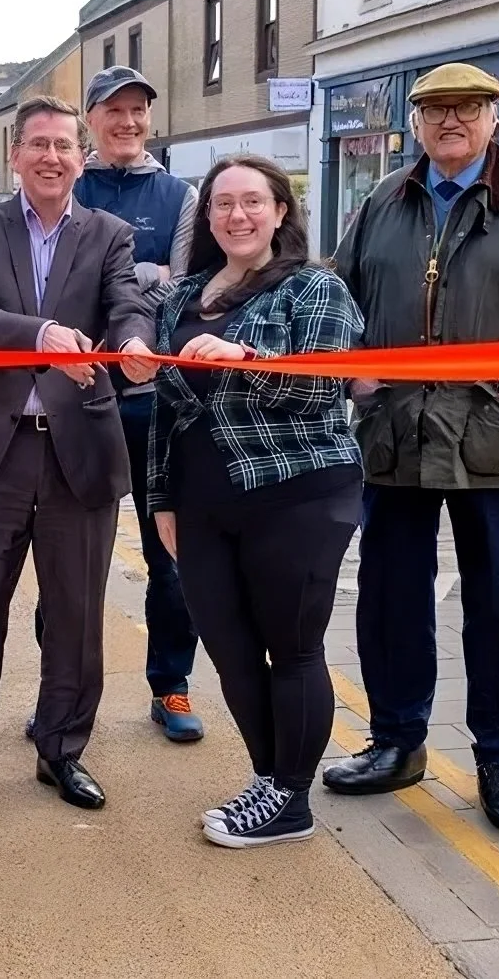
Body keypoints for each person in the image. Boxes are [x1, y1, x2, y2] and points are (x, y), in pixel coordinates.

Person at [323, 62, 499, 834]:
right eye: (437, 109)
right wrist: (355, 377)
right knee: (391, 601)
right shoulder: (384, 200)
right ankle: (396, 743)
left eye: (468, 108)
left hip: (495, 444)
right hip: (396, 437)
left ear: (493, 120)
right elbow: (337, 303)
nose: (452, 121)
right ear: (415, 123)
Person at [0, 94, 159, 829]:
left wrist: (132, 342)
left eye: (64, 145)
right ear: (16, 156)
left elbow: (126, 304)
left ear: (81, 158)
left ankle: (62, 749)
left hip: (78, 450)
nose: (52, 157)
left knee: (75, 615)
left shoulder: (111, 234)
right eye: (38, 144)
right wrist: (43, 334)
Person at [146, 154, 363, 848]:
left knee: (292, 648)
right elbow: (167, 408)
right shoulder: (181, 297)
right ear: (207, 216)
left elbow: (322, 387)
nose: (237, 215)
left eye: (252, 202)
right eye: (223, 203)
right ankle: (271, 782)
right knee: (230, 650)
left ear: (279, 212)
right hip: (204, 502)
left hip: (298, 494)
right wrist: (161, 498)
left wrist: (246, 360)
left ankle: (288, 798)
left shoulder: (315, 288)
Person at [28, 65, 204, 745]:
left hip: (155, 400)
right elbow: (50, 285)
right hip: (78, 398)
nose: (127, 122)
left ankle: (171, 685)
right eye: (113, 110)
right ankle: (58, 691)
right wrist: (132, 284)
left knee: (172, 554)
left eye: (138, 110)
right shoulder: (68, 182)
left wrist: (116, 293)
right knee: (69, 559)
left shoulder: (180, 196)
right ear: (90, 121)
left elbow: (183, 288)